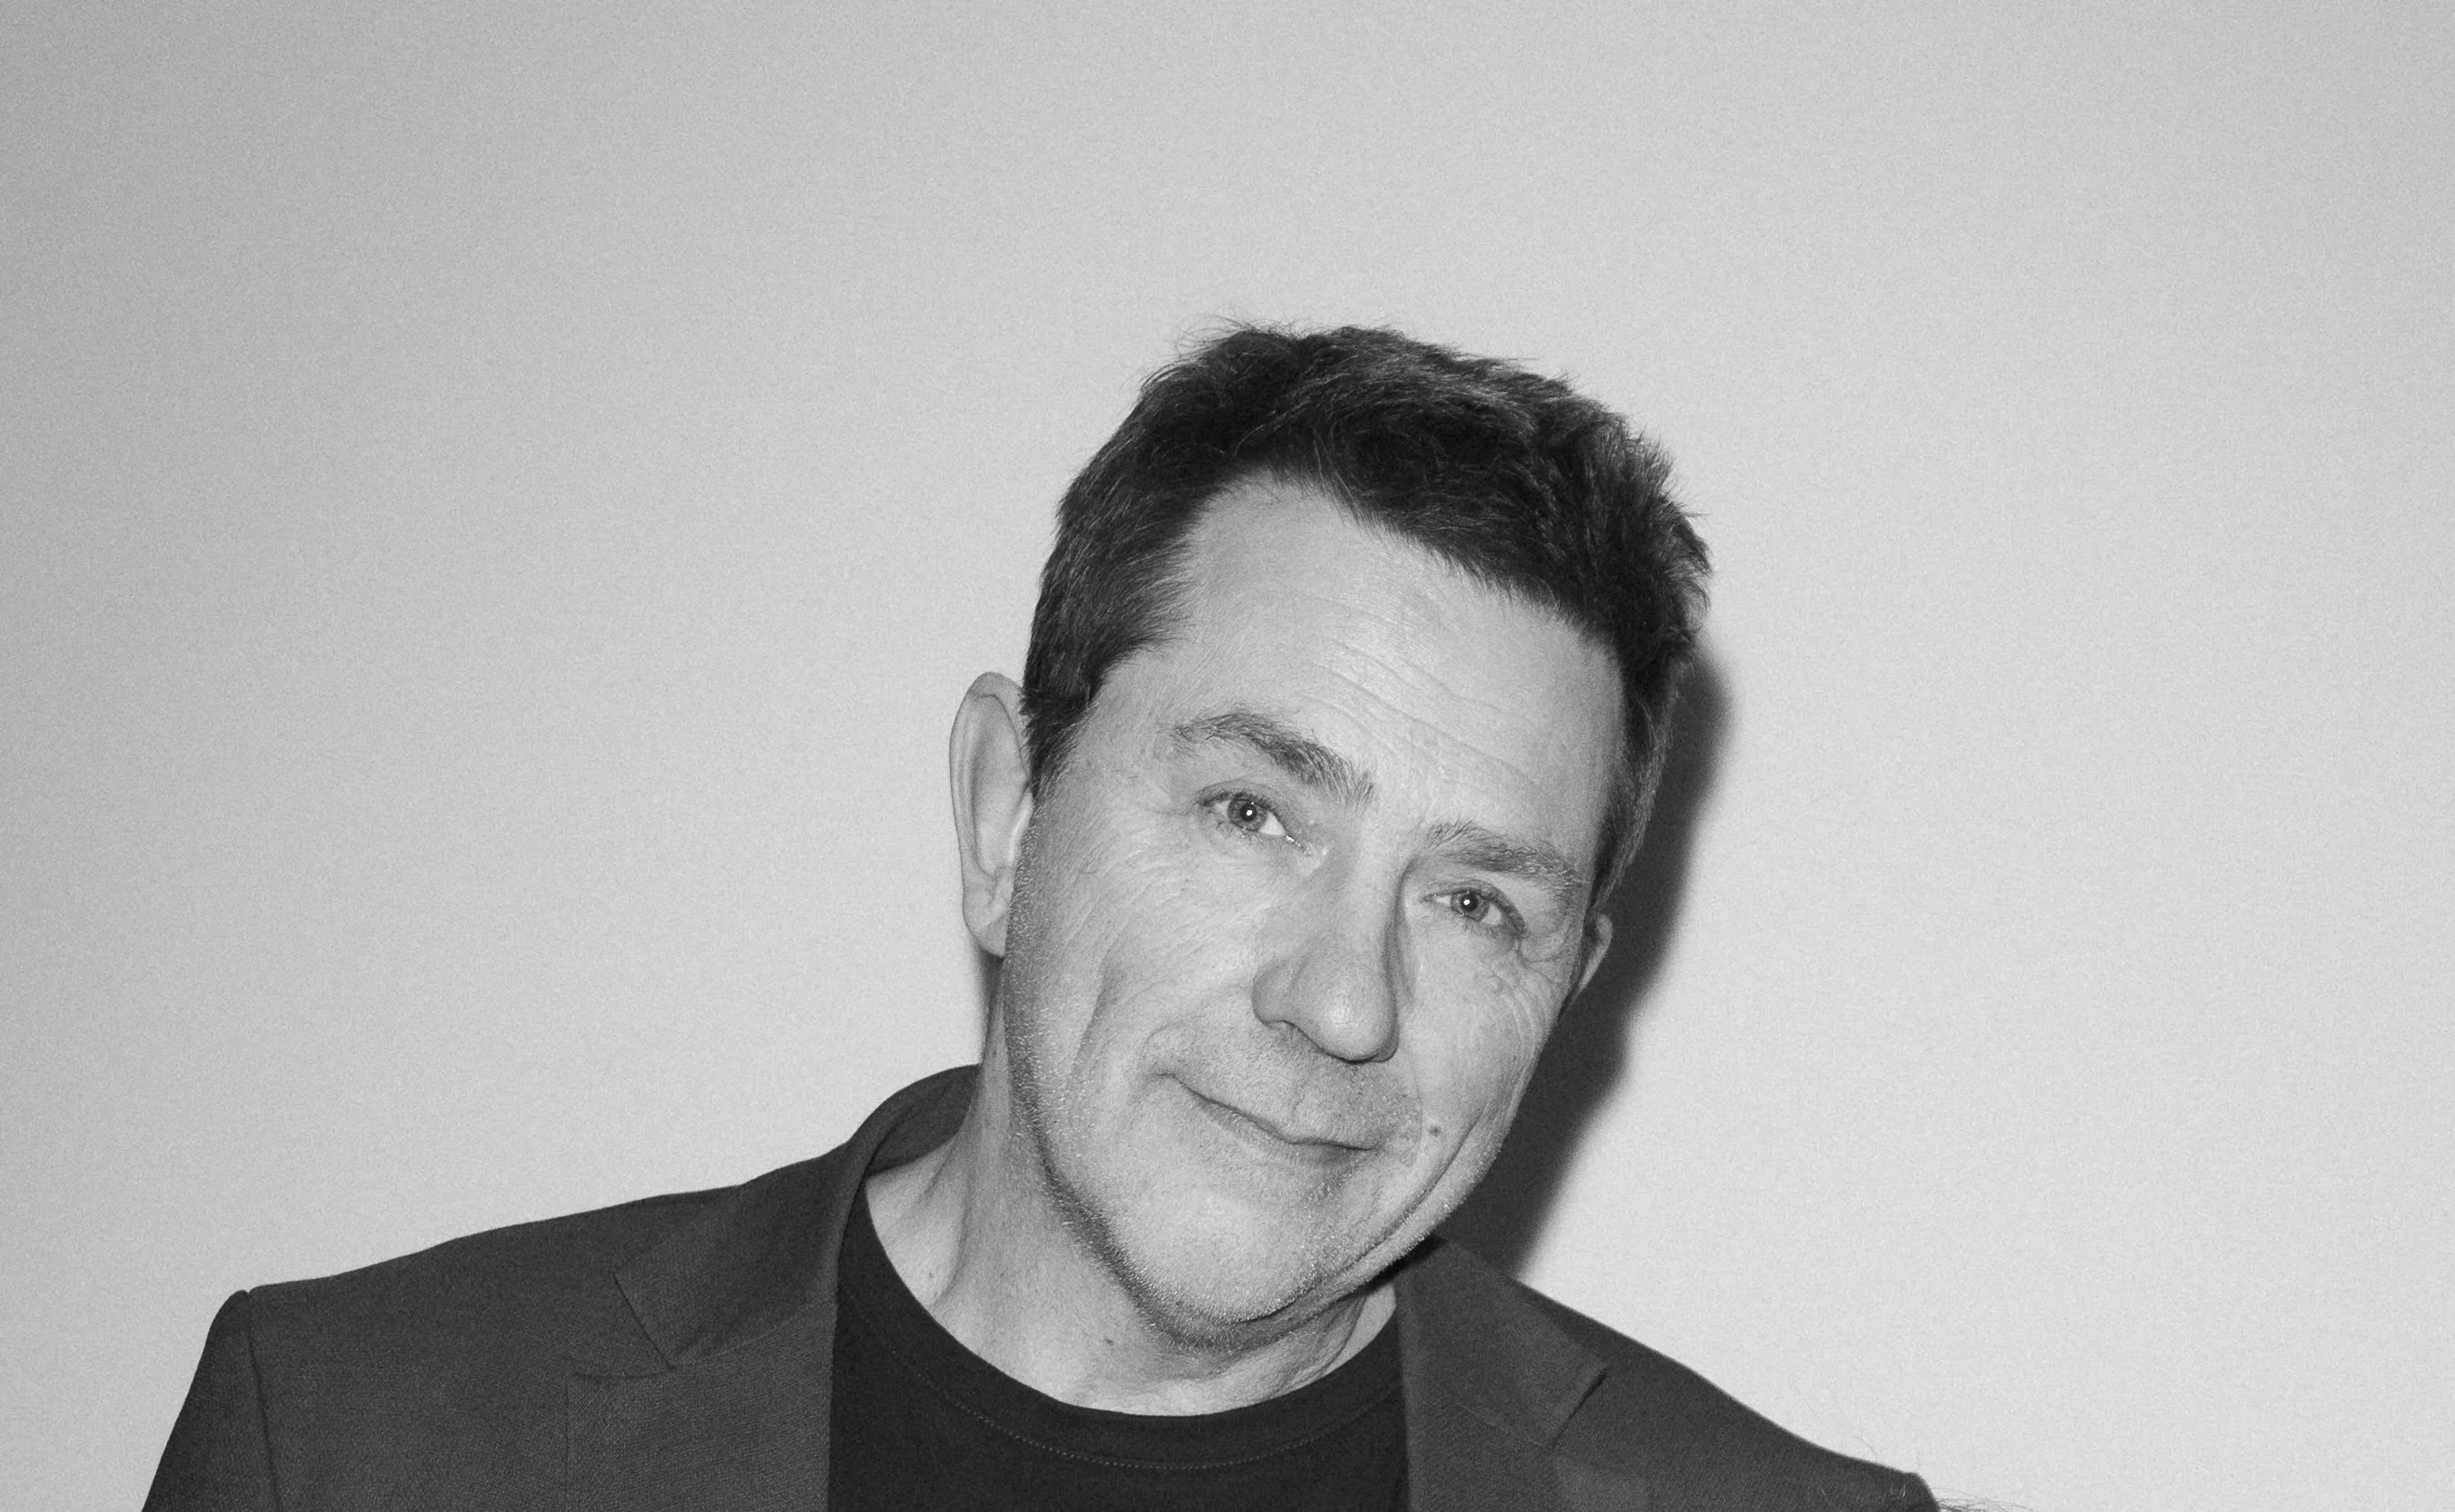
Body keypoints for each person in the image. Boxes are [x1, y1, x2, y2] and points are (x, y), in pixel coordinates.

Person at [146, 326, 1935, 1510]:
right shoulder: (353, 1440)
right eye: (1253, 809)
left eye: (1473, 902)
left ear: (1567, 983)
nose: (1342, 1001)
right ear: (1007, 809)